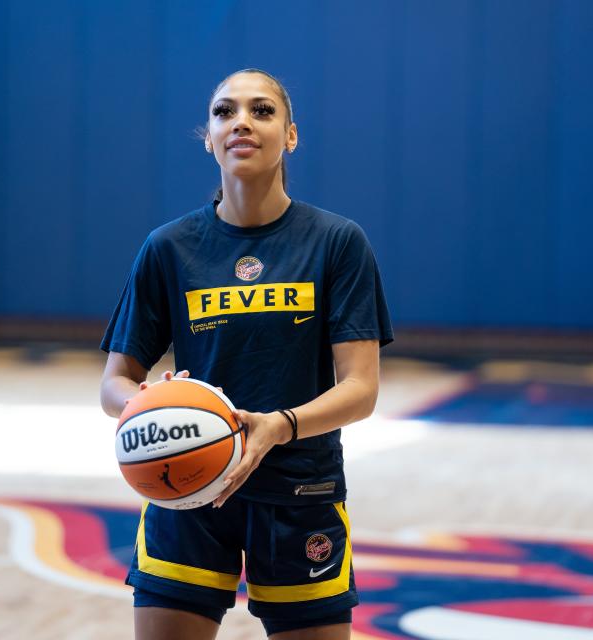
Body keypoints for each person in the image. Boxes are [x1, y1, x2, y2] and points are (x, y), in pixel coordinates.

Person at [99, 69, 392, 640]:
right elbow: (115, 383)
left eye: (262, 111)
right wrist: (144, 403)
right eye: (224, 112)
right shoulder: (169, 248)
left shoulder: (336, 242)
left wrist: (278, 427)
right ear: (208, 138)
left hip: (299, 490)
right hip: (184, 484)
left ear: (290, 135)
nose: (241, 122)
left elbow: (361, 389)